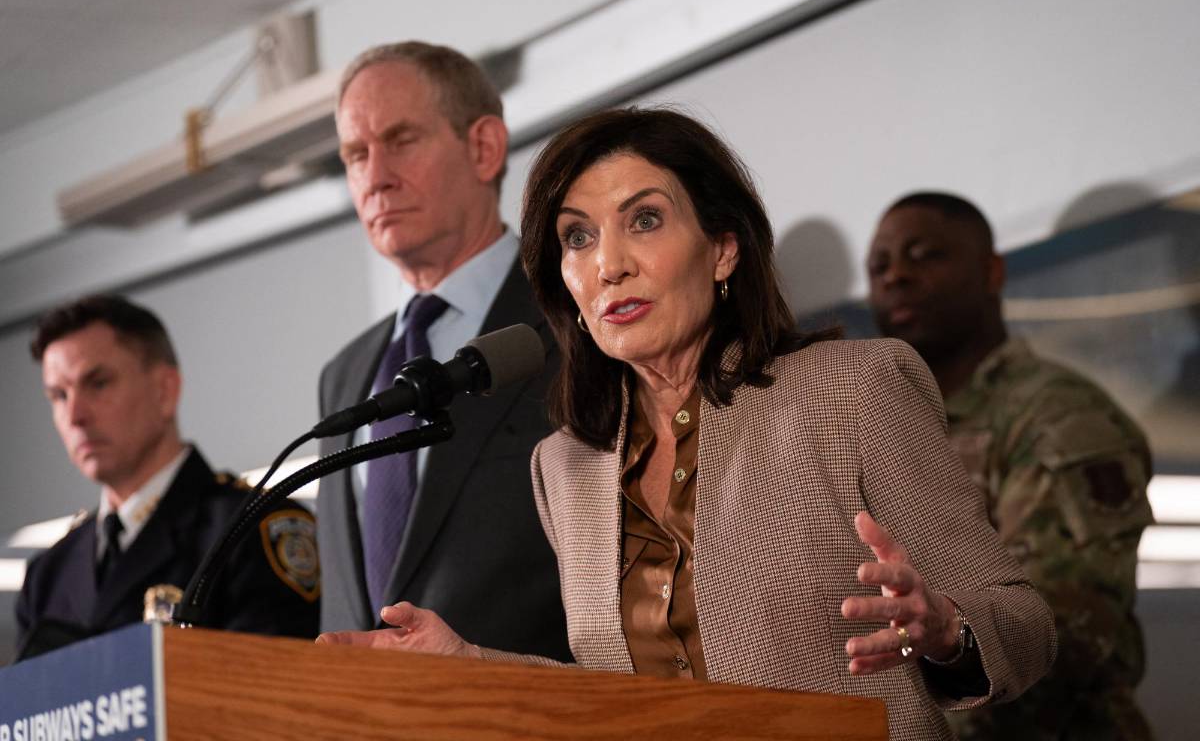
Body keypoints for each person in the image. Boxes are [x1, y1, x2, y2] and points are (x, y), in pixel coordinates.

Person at [318, 107, 1056, 741]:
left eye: (644, 220)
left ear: (723, 247)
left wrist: (949, 630)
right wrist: (470, 665)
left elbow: (1022, 625)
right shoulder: (566, 465)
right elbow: (616, 694)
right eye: (578, 237)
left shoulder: (854, 391)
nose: (610, 264)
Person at [866, 192, 1155, 740]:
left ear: (991, 271)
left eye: (925, 254)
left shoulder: (1057, 417)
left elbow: (1063, 632)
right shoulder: (882, 424)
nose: (896, 275)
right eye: (879, 265)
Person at [317, 41, 569, 660]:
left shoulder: (573, 323)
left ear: (483, 148)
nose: (375, 176)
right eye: (356, 154)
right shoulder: (344, 374)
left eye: (401, 140)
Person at [16, 294, 318, 659]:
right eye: (59, 395)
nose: (75, 415)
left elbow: (278, 694)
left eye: (97, 383)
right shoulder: (48, 574)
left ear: (165, 390)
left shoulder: (251, 527)